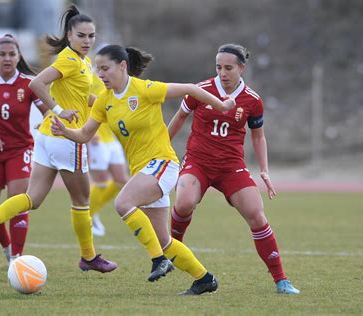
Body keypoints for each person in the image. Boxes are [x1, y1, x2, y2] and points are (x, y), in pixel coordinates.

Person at [50, 44, 236, 295]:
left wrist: (222, 106)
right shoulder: (104, 100)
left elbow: (192, 89)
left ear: (122, 66)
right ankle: (204, 279)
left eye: (105, 68)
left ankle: (158, 260)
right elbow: (84, 134)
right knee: (165, 242)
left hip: (162, 163)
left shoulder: (144, 89)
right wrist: (64, 131)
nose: (100, 74)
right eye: (97, 69)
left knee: (123, 202)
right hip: (144, 172)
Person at [0, 5, 117, 273]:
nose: (87, 41)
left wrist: (107, 107)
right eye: (81, 35)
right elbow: (36, 84)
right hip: (66, 138)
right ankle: (89, 257)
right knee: (82, 201)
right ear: (69, 36)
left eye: (91, 36)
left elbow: (81, 98)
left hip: (48, 137)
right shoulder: (69, 60)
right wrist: (59, 111)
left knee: (32, 199)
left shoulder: (81, 62)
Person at [168, 43, 300, 295]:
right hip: (198, 162)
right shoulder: (201, 91)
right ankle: (172, 251)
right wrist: (161, 147)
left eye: (229, 68)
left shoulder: (252, 100)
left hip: (231, 167)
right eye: (218, 67)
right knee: (183, 203)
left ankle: (281, 280)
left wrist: (264, 170)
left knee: (257, 214)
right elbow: (180, 118)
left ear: (242, 68)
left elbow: (258, 137)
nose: (223, 73)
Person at [0, 34, 49, 263]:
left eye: (12, 54)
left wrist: (46, 120)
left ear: (19, 56)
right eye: (2, 54)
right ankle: (6, 246)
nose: (7, 58)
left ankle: (17, 257)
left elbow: (47, 110)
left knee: (18, 200)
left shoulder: (28, 83)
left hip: (19, 150)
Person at [88, 74, 129, 236]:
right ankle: (88, 216)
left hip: (112, 138)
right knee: (101, 182)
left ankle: (92, 211)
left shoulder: (119, 80)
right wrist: (89, 131)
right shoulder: (89, 78)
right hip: (97, 138)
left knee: (121, 181)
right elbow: (82, 103)